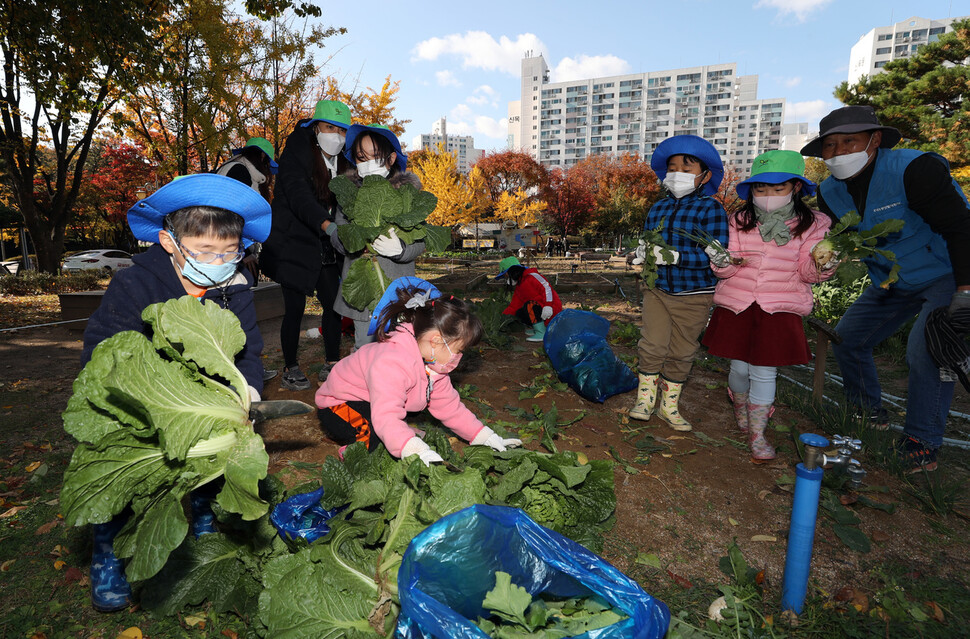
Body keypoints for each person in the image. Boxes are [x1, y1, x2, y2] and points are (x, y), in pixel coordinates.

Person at [81, 173, 271, 612]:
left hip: (203, 406)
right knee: (129, 476)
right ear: (170, 242)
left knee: (219, 457)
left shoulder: (234, 287)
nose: (219, 260)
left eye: (229, 252)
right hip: (142, 405)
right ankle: (109, 549)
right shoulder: (134, 285)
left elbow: (249, 352)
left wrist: (251, 391)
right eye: (205, 252)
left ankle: (205, 519)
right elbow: (103, 350)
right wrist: (138, 398)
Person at [802, 105, 970, 473]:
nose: (839, 152)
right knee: (849, 337)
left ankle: (922, 442)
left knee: (926, 350)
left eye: (850, 141)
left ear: (875, 140)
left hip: (944, 270)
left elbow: (961, 227)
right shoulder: (829, 191)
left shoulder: (915, 170)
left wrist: (965, 291)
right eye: (830, 146)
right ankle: (867, 411)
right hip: (891, 279)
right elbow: (846, 241)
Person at [701, 150, 836, 462]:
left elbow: (807, 272)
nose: (768, 195)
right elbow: (728, 267)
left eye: (778, 188)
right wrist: (721, 262)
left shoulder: (814, 224)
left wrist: (825, 264)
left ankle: (757, 432)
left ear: (796, 188)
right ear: (752, 190)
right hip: (737, 303)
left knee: (764, 371)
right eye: (761, 189)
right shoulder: (738, 219)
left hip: (779, 307)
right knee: (738, 369)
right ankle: (738, 401)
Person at [315, 278, 522, 463]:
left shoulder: (433, 364)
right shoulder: (391, 362)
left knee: (389, 432)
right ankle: (352, 455)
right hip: (337, 404)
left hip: (370, 401)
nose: (459, 358)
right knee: (372, 440)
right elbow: (386, 415)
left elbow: (449, 407)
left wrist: (484, 436)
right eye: (459, 351)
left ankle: (400, 434)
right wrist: (412, 448)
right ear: (437, 341)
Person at [629, 134, 728, 432]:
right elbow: (648, 243)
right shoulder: (657, 208)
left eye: (687, 169)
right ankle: (644, 400)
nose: (677, 175)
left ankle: (668, 406)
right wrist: (641, 253)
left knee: (683, 350)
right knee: (652, 344)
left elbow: (717, 256)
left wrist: (675, 256)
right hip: (656, 289)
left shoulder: (711, 209)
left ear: (705, 175)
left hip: (694, 294)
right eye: (672, 169)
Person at [260, 99, 351, 390]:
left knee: (333, 303)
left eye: (341, 130)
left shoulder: (344, 161)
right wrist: (327, 225)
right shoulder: (297, 153)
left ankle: (332, 361)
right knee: (295, 307)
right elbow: (299, 197)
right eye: (329, 127)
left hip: (327, 244)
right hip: (295, 240)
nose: (335, 135)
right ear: (315, 129)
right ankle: (291, 366)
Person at [324, 124, 426, 350]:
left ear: (391, 159)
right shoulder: (348, 194)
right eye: (361, 157)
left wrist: (400, 249)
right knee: (367, 353)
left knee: (402, 352)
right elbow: (340, 236)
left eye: (375, 156)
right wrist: (354, 244)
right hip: (363, 290)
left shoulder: (407, 194)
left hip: (400, 292)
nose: (368, 163)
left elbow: (421, 242)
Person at [216, 136, 279, 379]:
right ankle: (241, 371)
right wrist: (243, 252)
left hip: (227, 251)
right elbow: (232, 215)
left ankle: (241, 369)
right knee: (235, 312)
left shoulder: (234, 167)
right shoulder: (240, 172)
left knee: (232, 311)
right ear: (262, 157)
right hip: (229, 253)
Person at [494, 255, 562, 342]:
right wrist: (502, 318)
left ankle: (541, 332)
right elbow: (514, 306)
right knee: (519, 312)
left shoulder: (532, 276)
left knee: (529, 305)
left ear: (512, 271)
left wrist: (548, 306)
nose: (505, 278)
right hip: (540, 311)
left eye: (505, 275)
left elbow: (546, 288)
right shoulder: (520, 286)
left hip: (550, 309)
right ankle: (538, 327)